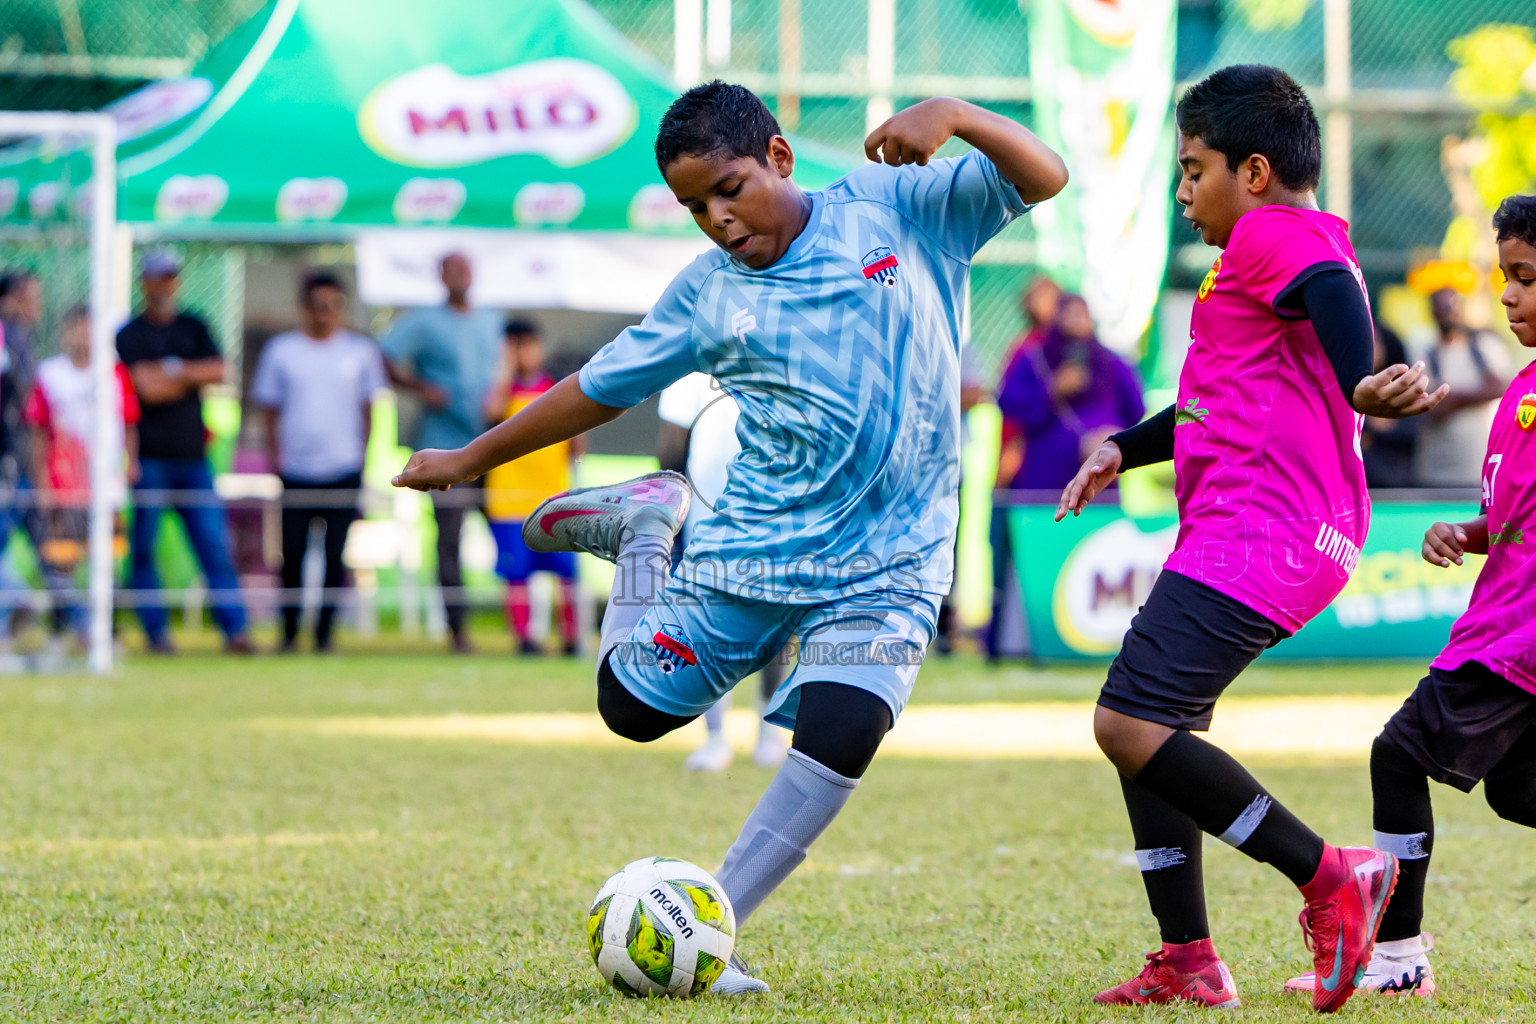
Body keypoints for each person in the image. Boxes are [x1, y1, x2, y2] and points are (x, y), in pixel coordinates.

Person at [394, 81, 1068, 993]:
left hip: (894, 562)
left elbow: (1044, 175)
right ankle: (645, 528)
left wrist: (955, 113)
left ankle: (714, 933)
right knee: (631, 710)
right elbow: (598, 387)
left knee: (847, 726)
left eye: (729, 189)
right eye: (693, 206)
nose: (716, 218)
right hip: (752, 550)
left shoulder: (895, 207)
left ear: (780, 158)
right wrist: (473, 456)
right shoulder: (708, 294)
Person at [1055, 65, 1448, 1012]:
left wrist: (1361, 380)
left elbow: (1329, 292)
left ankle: (1329, 875)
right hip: (1268, 529)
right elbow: (1214, 398)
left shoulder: (1275, 234)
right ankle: (1186, 957)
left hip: (1263, 530)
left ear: (1256, 172)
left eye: (1194, 171)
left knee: (1126, 722)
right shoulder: (1278, 246)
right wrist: (1123, 448)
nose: (1184, 193)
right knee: (1152, 725)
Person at [1282, 195, 1536, 1001]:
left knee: (1398, 754)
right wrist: (1470, 531)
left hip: (1517, 640)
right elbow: (1519, 518)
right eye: (1506, 276)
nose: (1508, 295)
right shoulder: (1521, 390)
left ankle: (1398, 958)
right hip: (1503, 625)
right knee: (1516, 790)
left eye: (1526, 278)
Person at [116, 249, 252, 654]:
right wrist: (190, 376)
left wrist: (171, 371)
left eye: (170, 276)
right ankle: (156, 634)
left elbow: (220, 370)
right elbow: (146, 389)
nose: (165, 285)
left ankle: (236, 631)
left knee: (213, 545)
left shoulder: (194, 324)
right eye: (157, 277)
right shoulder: (130, 333)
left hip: (194, 460)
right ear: (144, 281)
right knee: (144, 548)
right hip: (149, 460)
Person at [657, 370, 788, 771]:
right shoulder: (692, 363)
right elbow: (672, 442)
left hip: (773, 510)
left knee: (777, 621)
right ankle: (715, 737)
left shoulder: (782, 351)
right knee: (706, 626)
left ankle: (768, 730)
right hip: (709, 513)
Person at [251, 272, 386, 653]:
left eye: (331, 306)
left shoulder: (360, 352)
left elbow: (369, 410)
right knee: (290, 555)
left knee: (335, 556)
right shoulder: (282, 351)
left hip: (343, 468)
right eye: (316, 306)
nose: (323, 313)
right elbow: (270, 411)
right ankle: (289, 634)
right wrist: (275, 459)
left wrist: (361, 458)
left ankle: (325, 636)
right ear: (303, 308)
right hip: (295, 469)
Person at [381, 252, 501, 653]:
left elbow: (504, 366)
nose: (461, 276)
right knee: (450, 539)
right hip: (445, 446)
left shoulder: (491, 320)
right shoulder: (423, 322)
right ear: (441, 276)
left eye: (466, 268)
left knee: (512, 532)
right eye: (454, 270)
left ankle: (524, 627)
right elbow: (384, 356)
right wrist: (422, 389)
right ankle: (457, 630)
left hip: (494, 443)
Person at [23, 305, 139, 650]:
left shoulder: (114, 372)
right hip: (65, 483)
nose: (82, 335)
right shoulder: (50, 374)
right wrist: (42, 481)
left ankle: (108, 634)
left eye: (88, 328)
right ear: (64, 332)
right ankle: (61, 631)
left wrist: (129, 463)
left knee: (109, 560)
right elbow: (38, 430)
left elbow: (128, 421)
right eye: (76, 327)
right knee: (61, 561)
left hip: (106, 484)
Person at [481, 320, 582, 656]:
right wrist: (503, 371)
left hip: (554, 498)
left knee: (566, 573)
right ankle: (524, 638)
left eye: (528, 344)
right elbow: (492, 413)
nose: (524, 353)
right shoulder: (501, 390)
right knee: (517, 574)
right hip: (509, 499)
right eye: (515, 346)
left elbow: (578, 444)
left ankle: (571, 637)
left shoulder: (556, 387)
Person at [996, 293, 1145, 491]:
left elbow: (1136, 407)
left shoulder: (1111, 362)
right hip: (1045, 476)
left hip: (1096, 479)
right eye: (1071, 316)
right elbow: (1008, 401)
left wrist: (1113, 436)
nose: (1077, 323)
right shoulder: (1034, 359)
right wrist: (1052, 389)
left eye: (1081, 316)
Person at [1412, 286, 1511, 488]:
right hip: (1436, 466)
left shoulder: (1484, 345)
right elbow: (1431, 406)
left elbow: (1500, 387)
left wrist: (1450, 398)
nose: (1448, 314)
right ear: (1432, 312)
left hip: (1478, 463)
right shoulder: (1423, 348)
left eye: (1452, 307)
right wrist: (1479, 393)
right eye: (1442, 308)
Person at [1361, 324, 1420, 489]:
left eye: (1374, 341)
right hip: (1359, 482)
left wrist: (1375, 432)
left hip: (1396, 483)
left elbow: (1412, 431)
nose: (1369, 347)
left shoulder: (1403, 386)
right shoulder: (1342, 387)